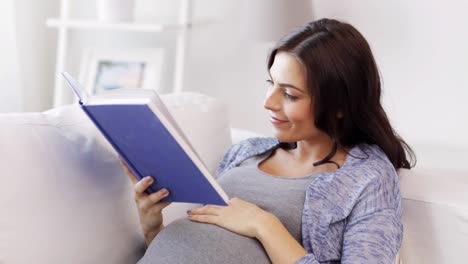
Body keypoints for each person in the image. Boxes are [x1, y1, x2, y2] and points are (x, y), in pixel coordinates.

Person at [121, 18, 416, 264]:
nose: (269, 103)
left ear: (340, 105)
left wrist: (265, 225)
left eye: (290, 94)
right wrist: (152, 226)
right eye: (271, 84)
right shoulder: (244, 153)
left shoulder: (369, 178)